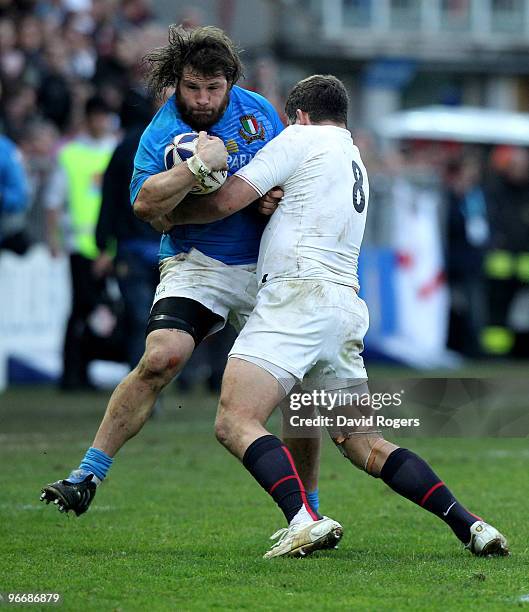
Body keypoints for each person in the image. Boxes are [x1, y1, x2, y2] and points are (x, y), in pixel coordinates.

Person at [156, 75, 509, 559]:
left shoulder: (299, 138)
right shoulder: (354, 155)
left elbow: (224, 201)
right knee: (364, 442)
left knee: (235, 419)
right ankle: (472, 525)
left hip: (297, 295)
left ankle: (302, 520)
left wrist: (169, 213)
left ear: (298, 115)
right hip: (343, 307)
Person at [40, 26, 325, 529]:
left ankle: (311, 506)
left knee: (297, 388)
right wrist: (196, 169)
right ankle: (87, 475)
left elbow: (289, 172)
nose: (202, 99)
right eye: (192, 87)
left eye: (213, 89)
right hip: (197, 264)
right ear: (177, 82)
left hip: (263, 266)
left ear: (230, 83)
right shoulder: (158, 132)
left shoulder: (258, 110)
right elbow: (145, 204)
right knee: (160, 358)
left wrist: (271, 195)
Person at [45, 95, 118, 390]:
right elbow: (53, 199)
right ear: (88, 119)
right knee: (81, 309)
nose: (101, 122)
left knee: (104, 312)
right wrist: (53, 236)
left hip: (110, 247)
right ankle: (72, 374)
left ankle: (86, 368)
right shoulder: (70, 155)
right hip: (81, 245)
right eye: (97, 116)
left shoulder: (117, 150)